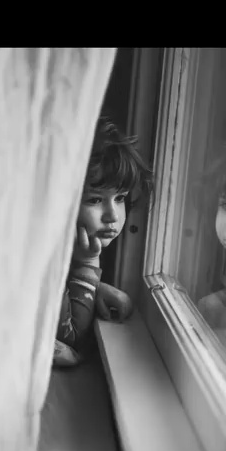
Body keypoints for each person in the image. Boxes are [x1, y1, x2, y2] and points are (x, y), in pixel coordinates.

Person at [53, 117, 152, 367]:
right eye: (95, 200)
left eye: (120, 198)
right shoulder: (46, 259)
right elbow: (72, 335)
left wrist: (96, 289)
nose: (113, 216)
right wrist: (88, 264)